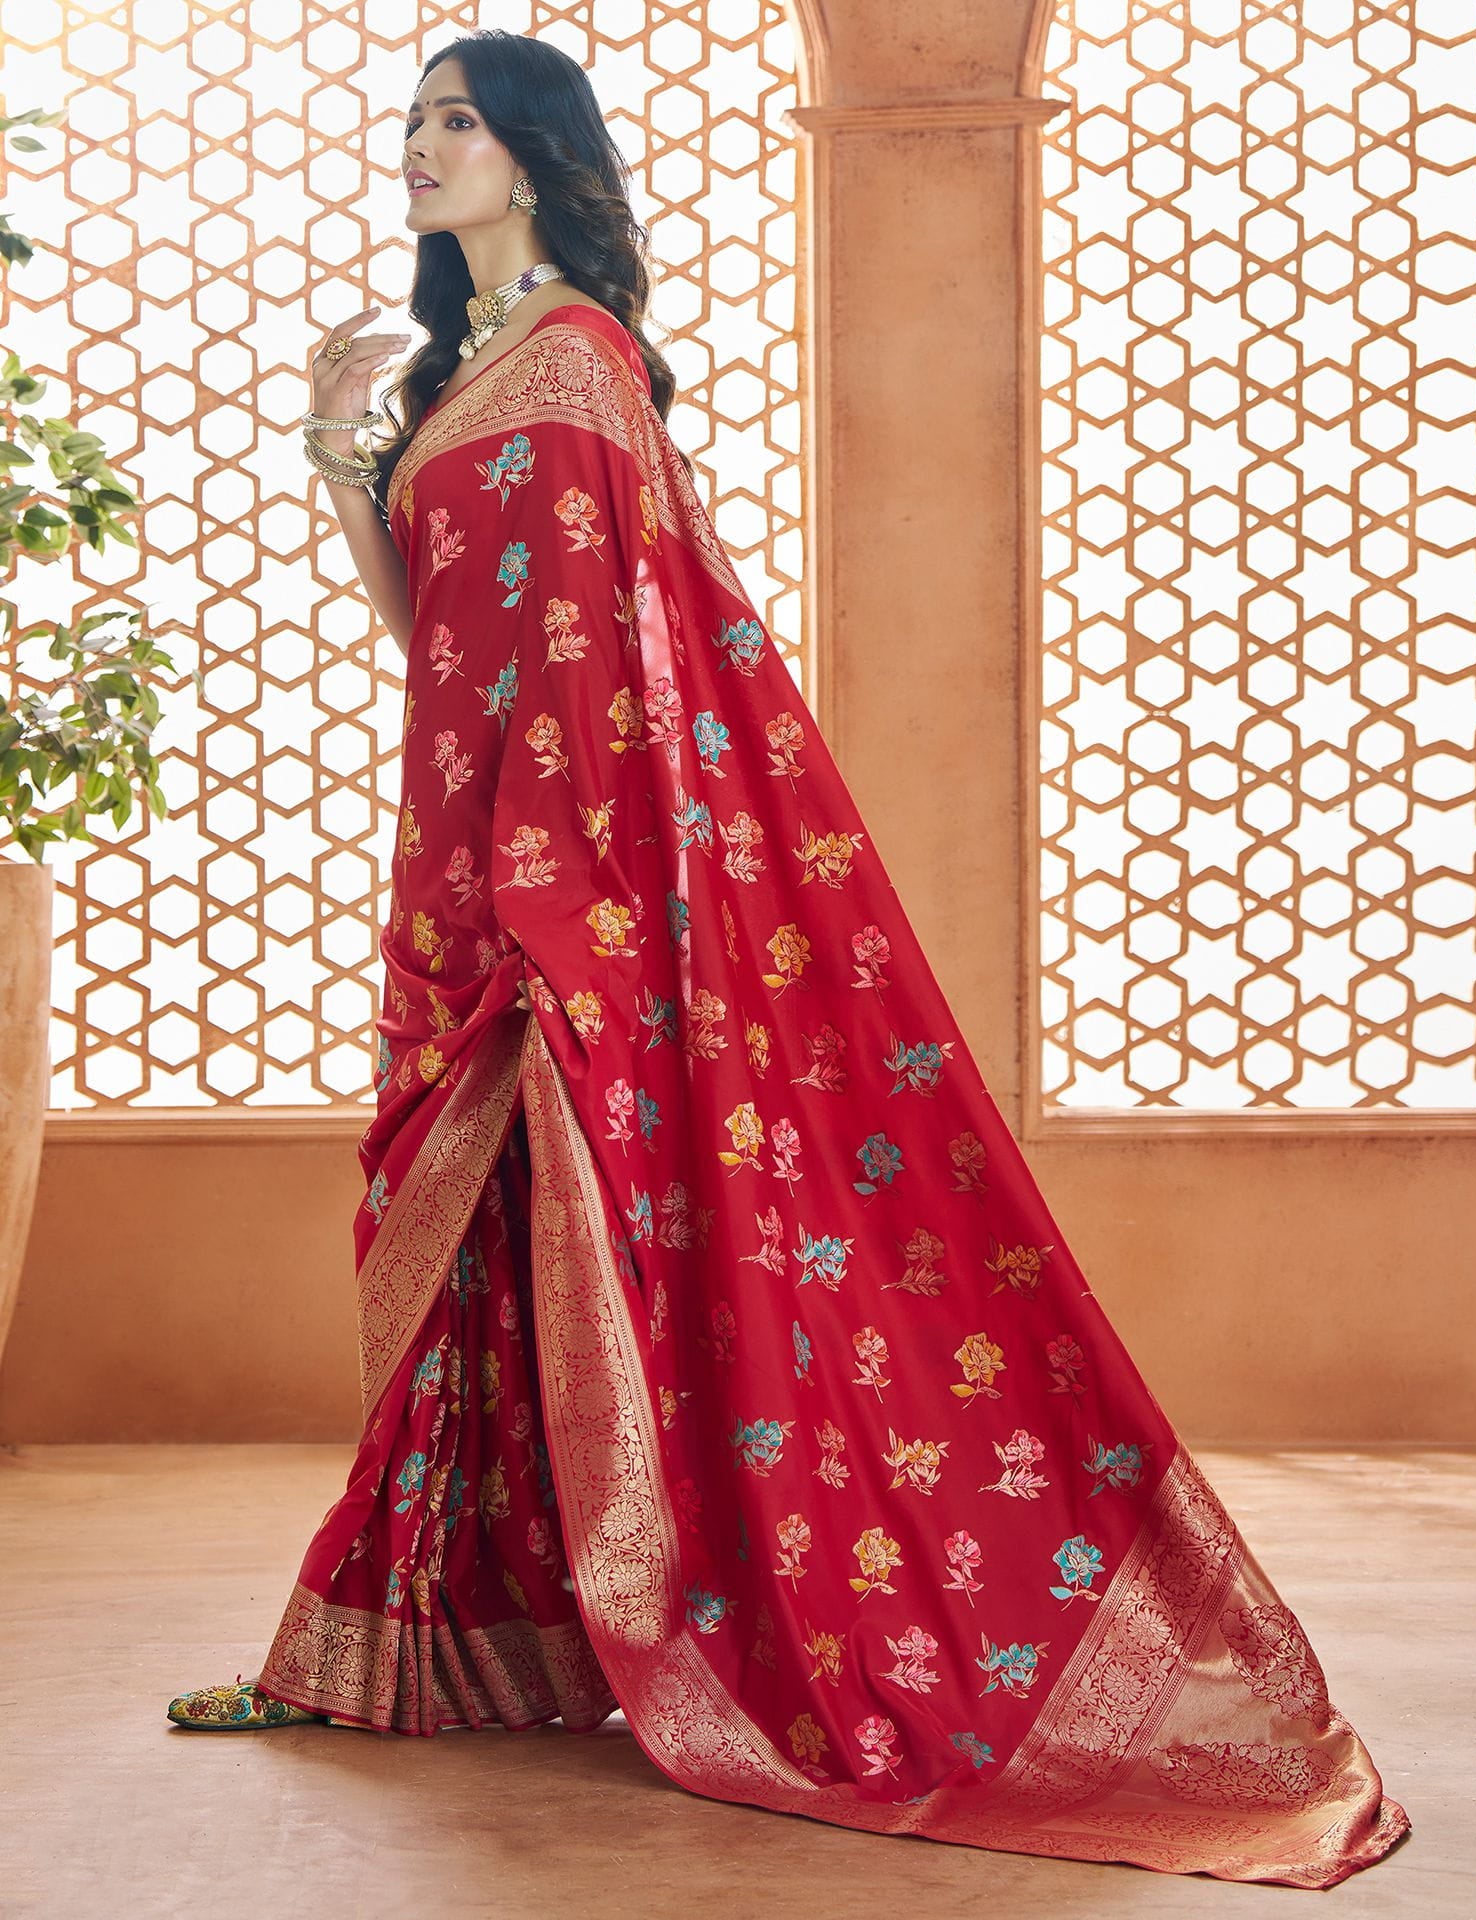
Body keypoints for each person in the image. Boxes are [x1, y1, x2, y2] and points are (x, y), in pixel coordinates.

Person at [165, 27, 1410, 1890]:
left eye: (459, 122)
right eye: (411, 121)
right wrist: (343, 446)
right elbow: (431, 635)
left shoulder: (576, 366)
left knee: (643, 1240)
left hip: (554, 881)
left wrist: (549, 907)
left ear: (535, 157)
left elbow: (593, 667)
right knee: (481, 1257)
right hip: (466, 860)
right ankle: (441, 1639)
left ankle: (743, 1626)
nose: (419, 149)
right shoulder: (474, 371)